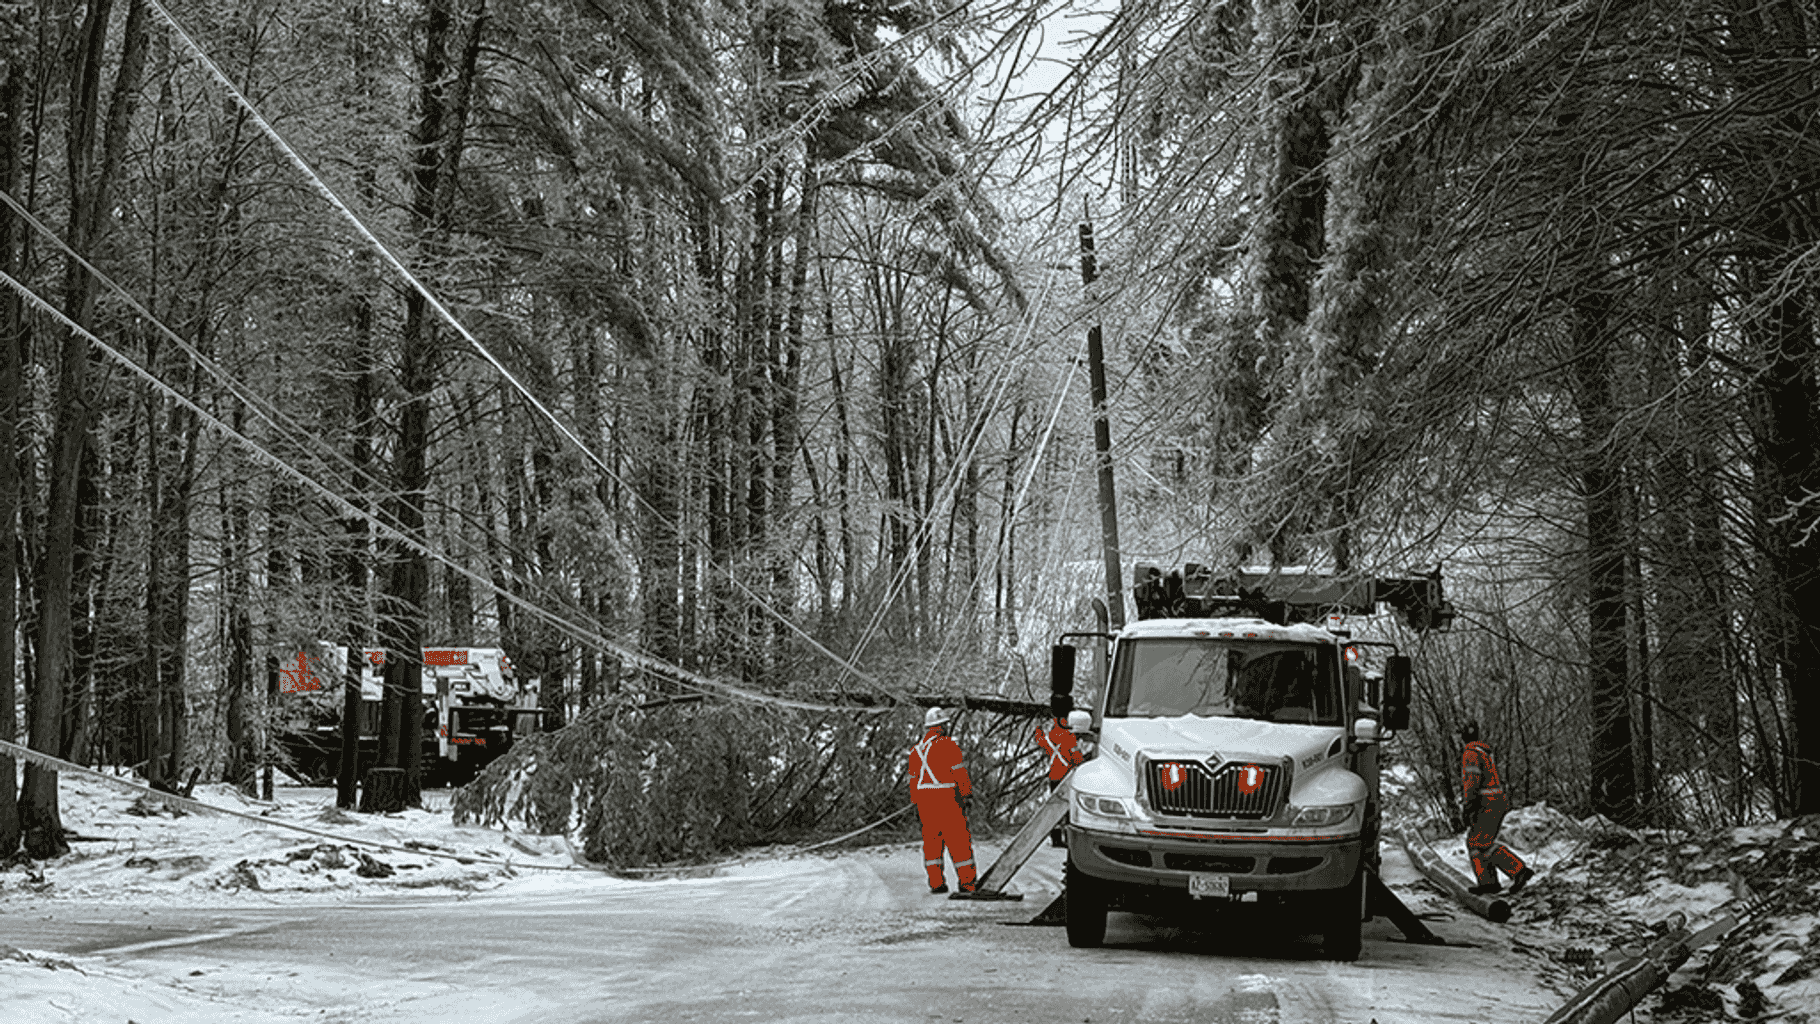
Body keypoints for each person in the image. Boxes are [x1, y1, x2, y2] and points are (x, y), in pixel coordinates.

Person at [1458, 719, 1534, 896]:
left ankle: (1518, 870)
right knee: (1477, 842)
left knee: (1479, 842)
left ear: (1463, 736)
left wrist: (1468, 806)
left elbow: (1472, 782)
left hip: (1487, 803)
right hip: (1494, 802)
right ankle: (1488, 883)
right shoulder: (1483, 751)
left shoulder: (1470, 753)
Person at [909, 707, 977, 894]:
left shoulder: (916, 751)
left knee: (932, 842)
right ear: (941, 726)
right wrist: (967, 795)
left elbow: (914, 781)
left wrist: (916, 803)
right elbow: (959, 773)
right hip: (948, 799)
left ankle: (937, 883)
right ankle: (967, 883)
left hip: (925, 802)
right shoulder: (949, 746)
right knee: (958, 841)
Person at [1034, 716, 1084, 789]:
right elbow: (1077, 760)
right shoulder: (1069, 741)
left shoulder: (1049, 741)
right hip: (1064, 776)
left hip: (1062, 777)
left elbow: (1039, 737)